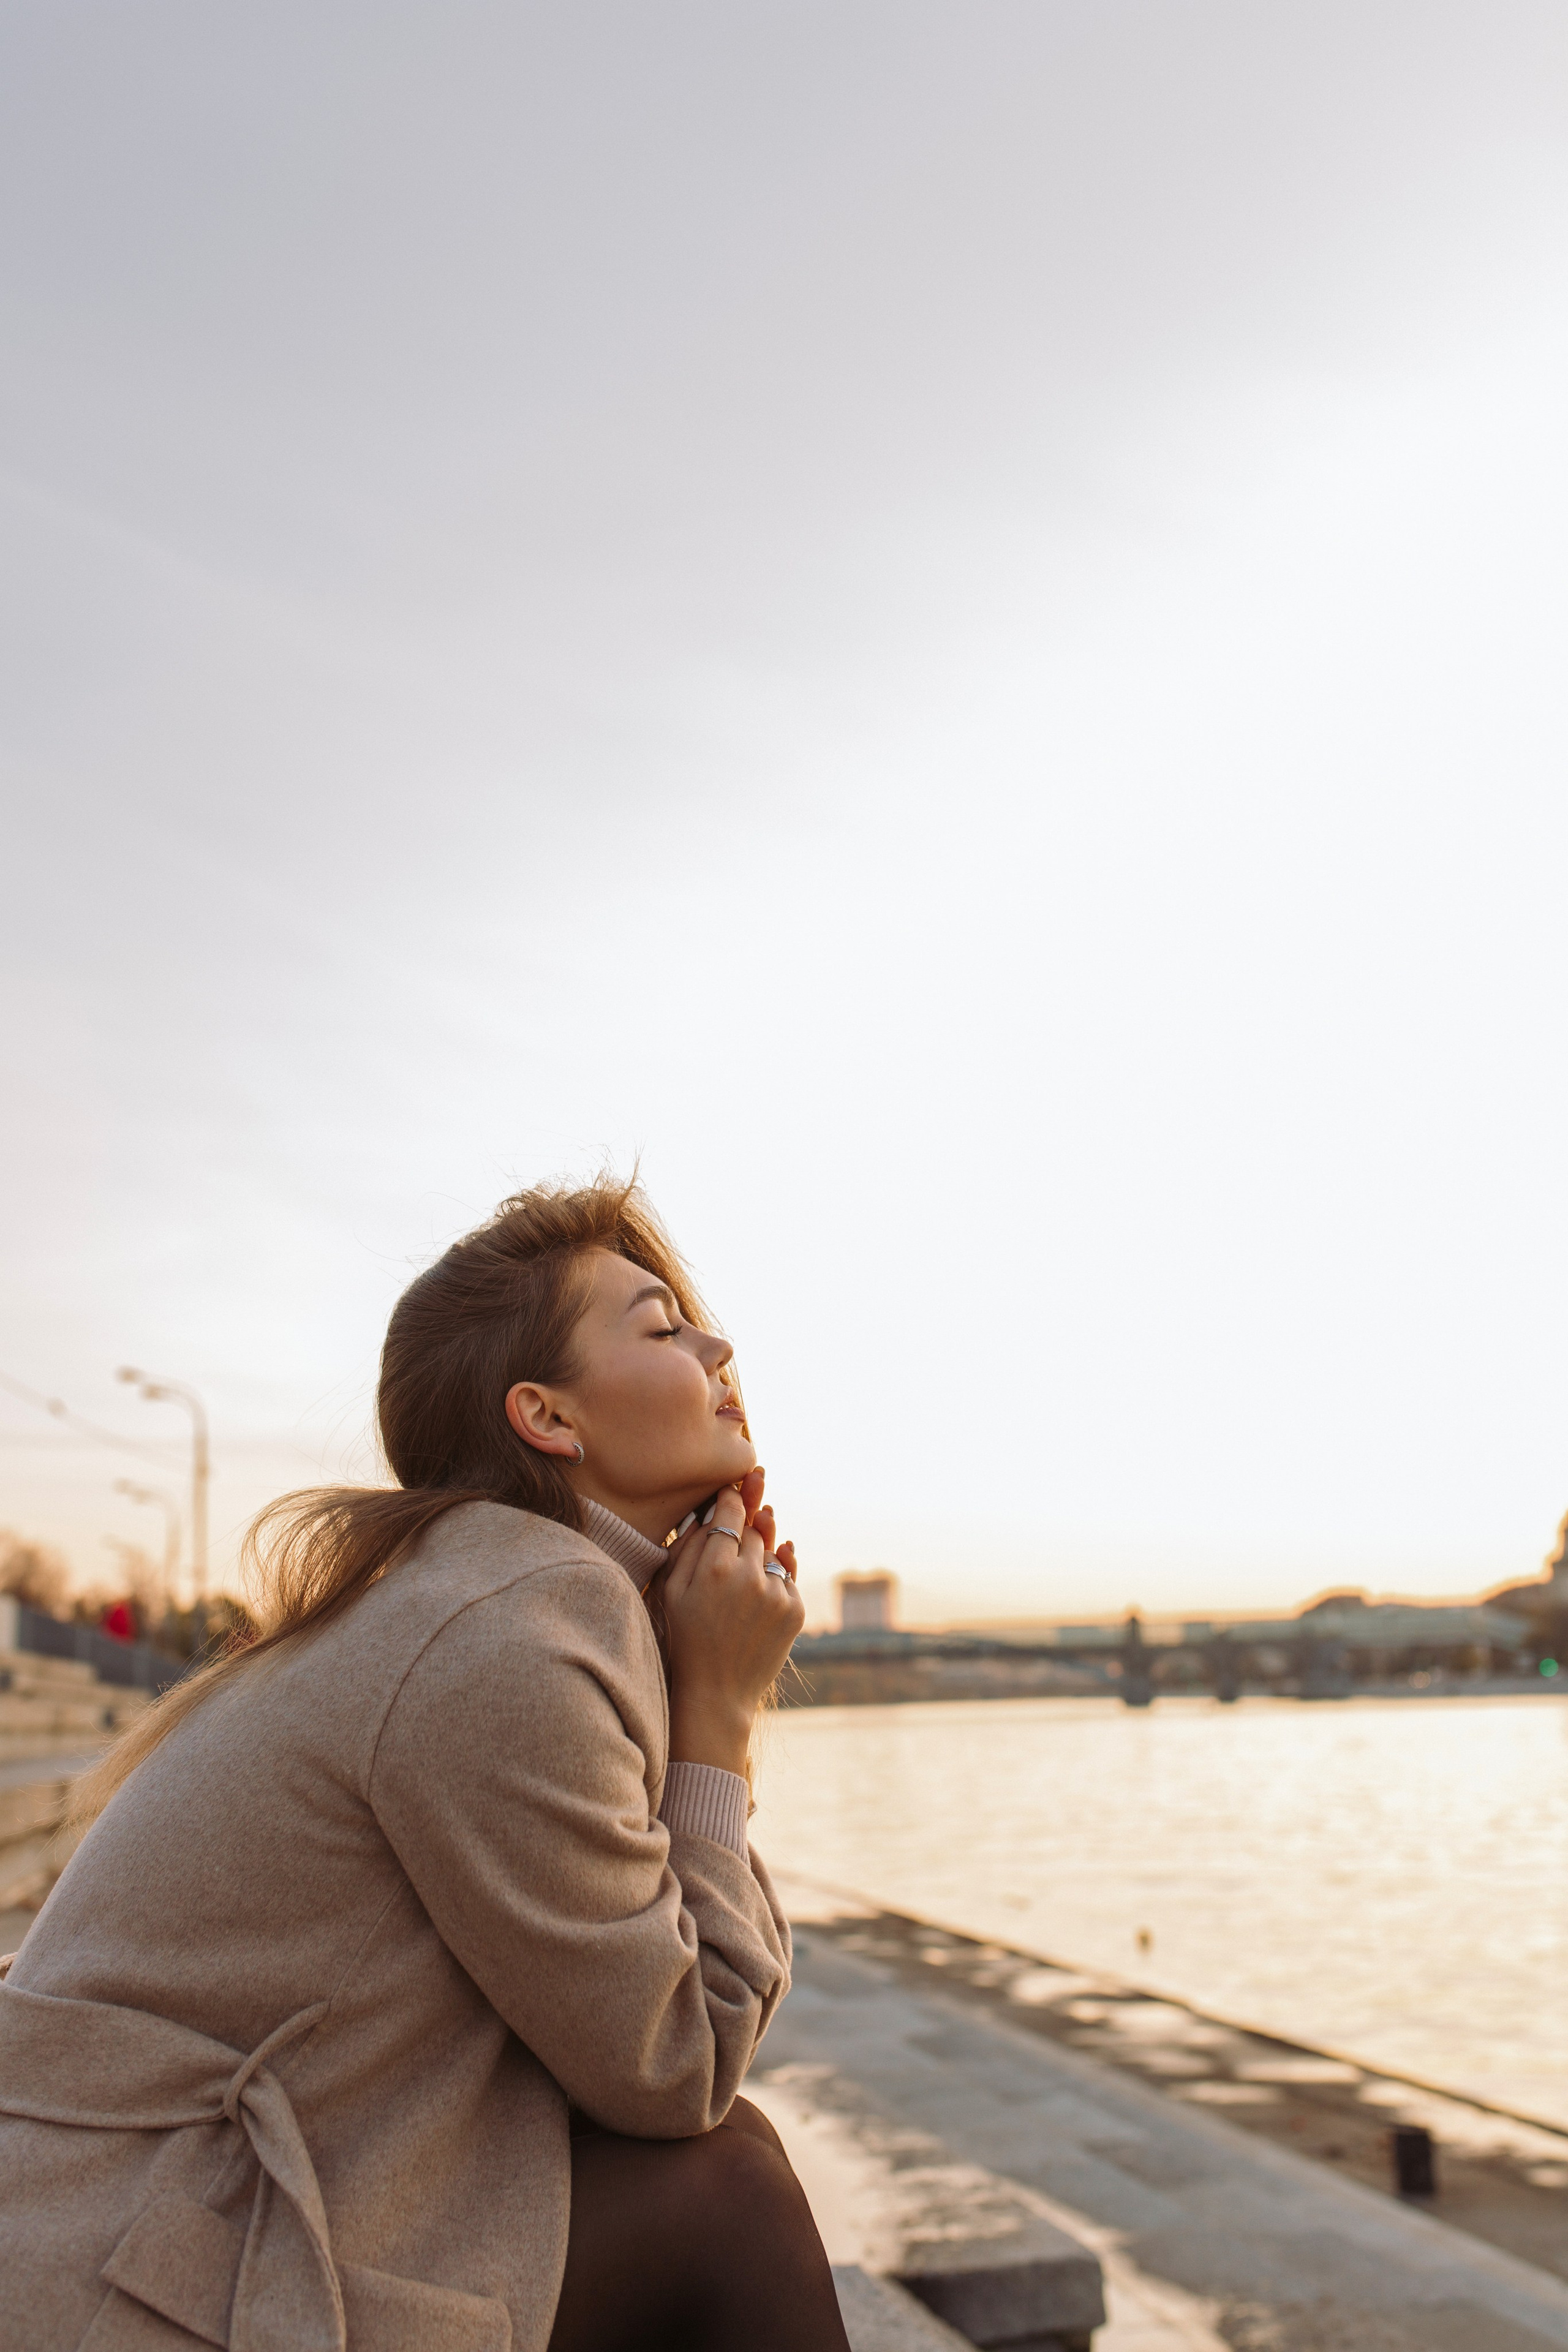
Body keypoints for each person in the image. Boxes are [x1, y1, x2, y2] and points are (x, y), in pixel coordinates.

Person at [0, 1175, 853, 2352]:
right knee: (729, 2194)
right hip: (138, 2272)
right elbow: (679, 2061)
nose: (718, 1346)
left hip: (123, 2215)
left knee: (724, 2167)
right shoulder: (517, 1625)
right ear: (547, 1418)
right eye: (662, 1328)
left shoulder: (475, 1596)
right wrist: (722, 1712)